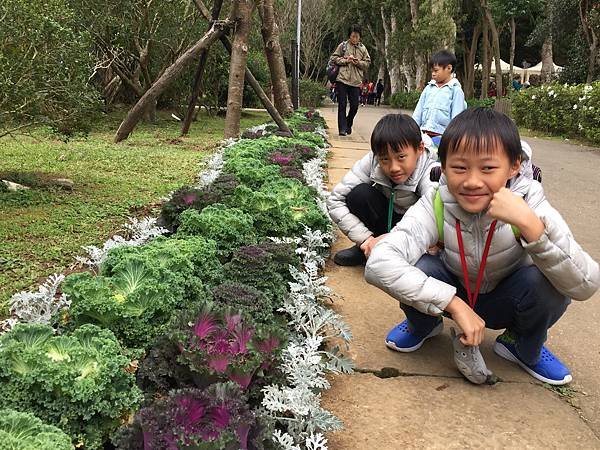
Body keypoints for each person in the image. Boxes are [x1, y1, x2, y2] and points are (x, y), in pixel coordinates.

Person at [365, 108, 600, 385]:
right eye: (459, 167)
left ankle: (521, 345)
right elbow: (379, 262)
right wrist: (453, 304)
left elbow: (586, 284)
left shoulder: (530, 202)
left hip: (506, 297)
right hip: (456, 291)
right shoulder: (437, 201)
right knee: (421, 265)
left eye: (488, 168)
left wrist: (533, 228)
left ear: (513, 165)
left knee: (548, 281)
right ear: (443, 165)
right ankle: (424, 325)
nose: (472, 181)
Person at [327, 114, 438, 266]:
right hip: (382, 223)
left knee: (431, 220)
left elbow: (434, 218)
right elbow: (335, 200)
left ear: (419, 148)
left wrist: (396, 241)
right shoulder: (373, 160)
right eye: (385, 159)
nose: (394, 168)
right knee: (359, 195)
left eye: (401, 157)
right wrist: (365, 239)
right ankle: (367, 249)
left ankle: (398, 254)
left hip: (414, 229)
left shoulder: (430, 171)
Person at [413, 50, 465, 147]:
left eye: (436, 70)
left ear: (449, 68)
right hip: (423, 135)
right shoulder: (428, 88)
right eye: (432, 71)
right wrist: (411, 131)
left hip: (441, 138)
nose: (433, 74)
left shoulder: (455, 91)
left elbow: (456, 119)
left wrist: (451, 140)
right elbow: (418, 112)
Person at [329, 24, 371, 136]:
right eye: (353, 36)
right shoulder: (343, 46)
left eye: (357, 36)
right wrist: (346, 60)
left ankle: (348, 122)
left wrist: (359, 63)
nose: (355, 39)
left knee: (354, 106)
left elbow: (367, 63)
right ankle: (342, 129)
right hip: (342, 79)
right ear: (349, 36)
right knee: (342, 104)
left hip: (356, 81)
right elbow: (333, 58)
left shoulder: (363, 49)